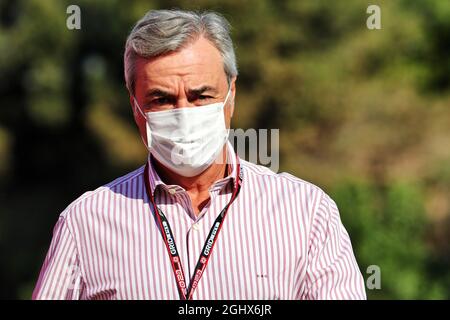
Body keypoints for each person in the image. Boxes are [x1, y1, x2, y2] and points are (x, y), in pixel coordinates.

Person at [32, 9, 366, 300]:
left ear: (230, 94)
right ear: (135, 107)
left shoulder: (306, 214)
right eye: (162, 100)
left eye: (200, 95)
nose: (183, 112)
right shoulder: (85, 224)